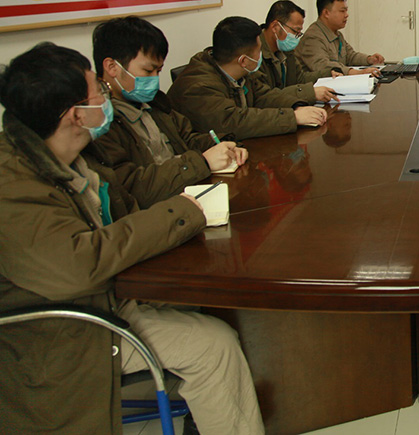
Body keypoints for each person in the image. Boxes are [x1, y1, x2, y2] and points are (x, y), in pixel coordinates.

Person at [0, 43, 264, 435]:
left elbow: (127, 200)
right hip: (64, 328)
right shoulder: (12, 185)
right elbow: (78, 266)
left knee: (225, 297)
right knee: (214, 345)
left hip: (110, 291)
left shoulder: (69, 156)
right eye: (98, 94)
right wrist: (186, 209)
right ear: (76, 115)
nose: (106, 99)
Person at [92, 16, 247, 208]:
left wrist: (225, 145)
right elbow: (131, 188)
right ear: (112, 67)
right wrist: (202, 162)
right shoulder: (98, 122)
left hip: (186, 192)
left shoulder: (154, 103)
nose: (155, 79)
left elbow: (186, 139)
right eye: (148, 71)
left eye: (159, 71)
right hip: (157, 210)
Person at [168, 16, 328, 140]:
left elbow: (264, 95)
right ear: (243, 60)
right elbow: (234, 122)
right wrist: (291, 117)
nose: (262, 55)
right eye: (259, 51)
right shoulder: (198, 86)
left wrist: (297, 106)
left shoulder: (239, 71)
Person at [254, 0, 339, 103]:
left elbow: (299, 79)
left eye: (299, 32)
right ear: (275, 27)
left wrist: (329, 73)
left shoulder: (285, 49)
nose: (296, 37)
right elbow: (267, 96)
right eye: (295, 31)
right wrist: (310, 92)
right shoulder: (254, 53)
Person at [298, 0, 383, 76]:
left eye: (346, 10)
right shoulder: (313, 37)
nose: (346, 15)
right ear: (326, 13)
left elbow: (350, 56)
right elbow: (323, 66)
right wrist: (358, 73)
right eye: (342, 11)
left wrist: (369, 59)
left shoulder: (336, 33)